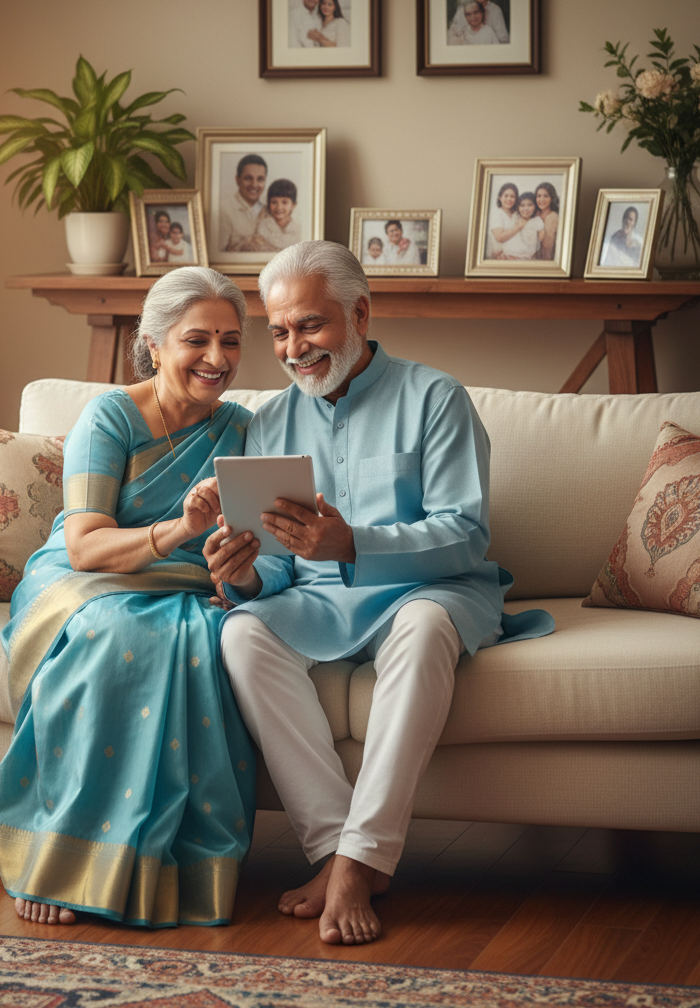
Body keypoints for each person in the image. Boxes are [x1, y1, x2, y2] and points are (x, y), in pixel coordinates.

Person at [202, 241, 553, 946]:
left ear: (359, 313)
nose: (294, 347)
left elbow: (465, 534)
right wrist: (241, 572)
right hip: (318, 598)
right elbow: (276, 569)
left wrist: (353, 543)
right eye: (278, 331)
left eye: (310, 325)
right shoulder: (267, 422)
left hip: (432, 589)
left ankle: (364, 859)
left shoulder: (436, 398)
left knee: (423, 631)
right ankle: (332, 847)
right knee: (240, 631)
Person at [0, 267, 256, 929]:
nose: (217, 359)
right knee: (119, 635)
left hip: (186, 590)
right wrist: (182, 529)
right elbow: (85, 545)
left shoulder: (243, 428)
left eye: (231, 341)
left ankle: (169, 863)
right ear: (155, 343)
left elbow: (248, 549)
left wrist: (236, 572)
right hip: (89, 582)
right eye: (198, 340)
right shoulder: (110, 416)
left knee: (205, 639)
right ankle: (61, 854)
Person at [220, 154, 268, 253]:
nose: (254, 185)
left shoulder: (270, 210)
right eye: (248, 178)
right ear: (238, 180)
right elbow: (218, 255)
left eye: (260, 179)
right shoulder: (224, 210)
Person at [241, 178, 303, 253]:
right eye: (274, 202)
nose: (279, 207)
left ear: (293, 205)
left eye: (284, 202)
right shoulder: (262, 226)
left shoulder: (298, 228)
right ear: (268, 204)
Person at [499, 192, 544, 260]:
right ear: (518, 207)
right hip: (508, 256)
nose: (526, 208)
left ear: (535, 206)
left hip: (526, 258)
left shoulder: (537, 221)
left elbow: (540, 241)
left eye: (530, 205)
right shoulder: (515, 217)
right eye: (522, 205)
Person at [486, 182, 519, 258]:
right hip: (498, 256)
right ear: (500, 197)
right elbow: (500, 237)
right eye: (506, 196)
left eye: (512, 196)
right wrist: (518, 227)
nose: (509, 199)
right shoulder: (496, 214)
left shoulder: (517, 215)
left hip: (514, 255)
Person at [534, 182, 560, 262]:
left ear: (552, 198)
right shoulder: (535, 214)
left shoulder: (552, 217)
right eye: (539, 196)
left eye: (546, 196)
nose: (541, 199)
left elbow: (547, 248)